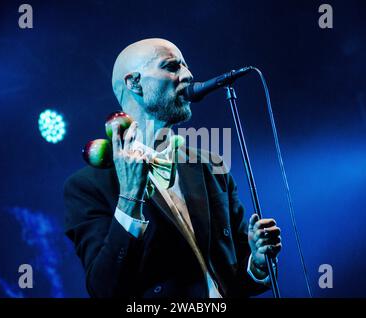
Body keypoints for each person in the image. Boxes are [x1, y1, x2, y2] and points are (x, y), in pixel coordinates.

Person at [63, 38, 282, 298]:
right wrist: (130, 197)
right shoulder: (89, 185)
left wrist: (257, 262)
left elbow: (234, 279)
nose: (188, 75)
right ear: (134, 83)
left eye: (186, 66)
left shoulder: (209, 166)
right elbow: (105, 290)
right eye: (172, 66)